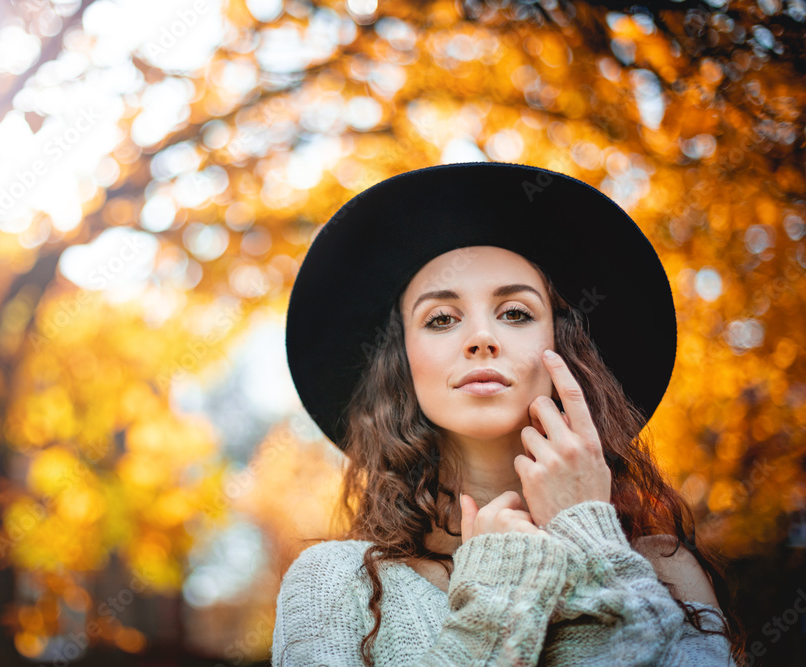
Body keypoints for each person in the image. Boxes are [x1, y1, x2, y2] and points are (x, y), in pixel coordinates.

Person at [272, 162, 747, 666]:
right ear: (404, 364)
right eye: (441, 319)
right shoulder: (333, 584)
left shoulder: (664, 572)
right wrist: (494, 597)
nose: (481, 338)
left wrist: (588, 537)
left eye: (516, 313)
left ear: (565, 348)